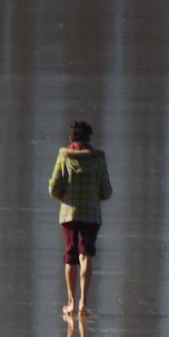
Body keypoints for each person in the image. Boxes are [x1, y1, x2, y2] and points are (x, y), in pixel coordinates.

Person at [47, 120, 113, 316]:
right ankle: (84, 303)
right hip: (91, 214)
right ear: (88, 138)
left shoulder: (64, 156)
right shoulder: (98, 159)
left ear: (71, 138)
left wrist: (65, 198)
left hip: (69, 213)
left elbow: (53, 188)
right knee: (86, 255)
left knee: (71, 255)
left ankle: (71, 302)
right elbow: (107, 190)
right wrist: (94, 197)